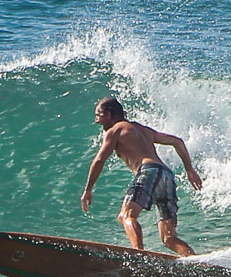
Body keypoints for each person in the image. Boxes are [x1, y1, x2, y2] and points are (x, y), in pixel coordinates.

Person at [80, 97, 203, 256]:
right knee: (169, 238)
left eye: (99, 115)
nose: (96, 120)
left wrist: (88, 189)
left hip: (149, 171)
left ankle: (139, 256)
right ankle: (194, 261)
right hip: (166, 175)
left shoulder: (115, 130)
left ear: (109, 114)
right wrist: (189, 169)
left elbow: (99, 160)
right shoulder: (143, 129)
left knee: (126, 215)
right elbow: (177, 141)